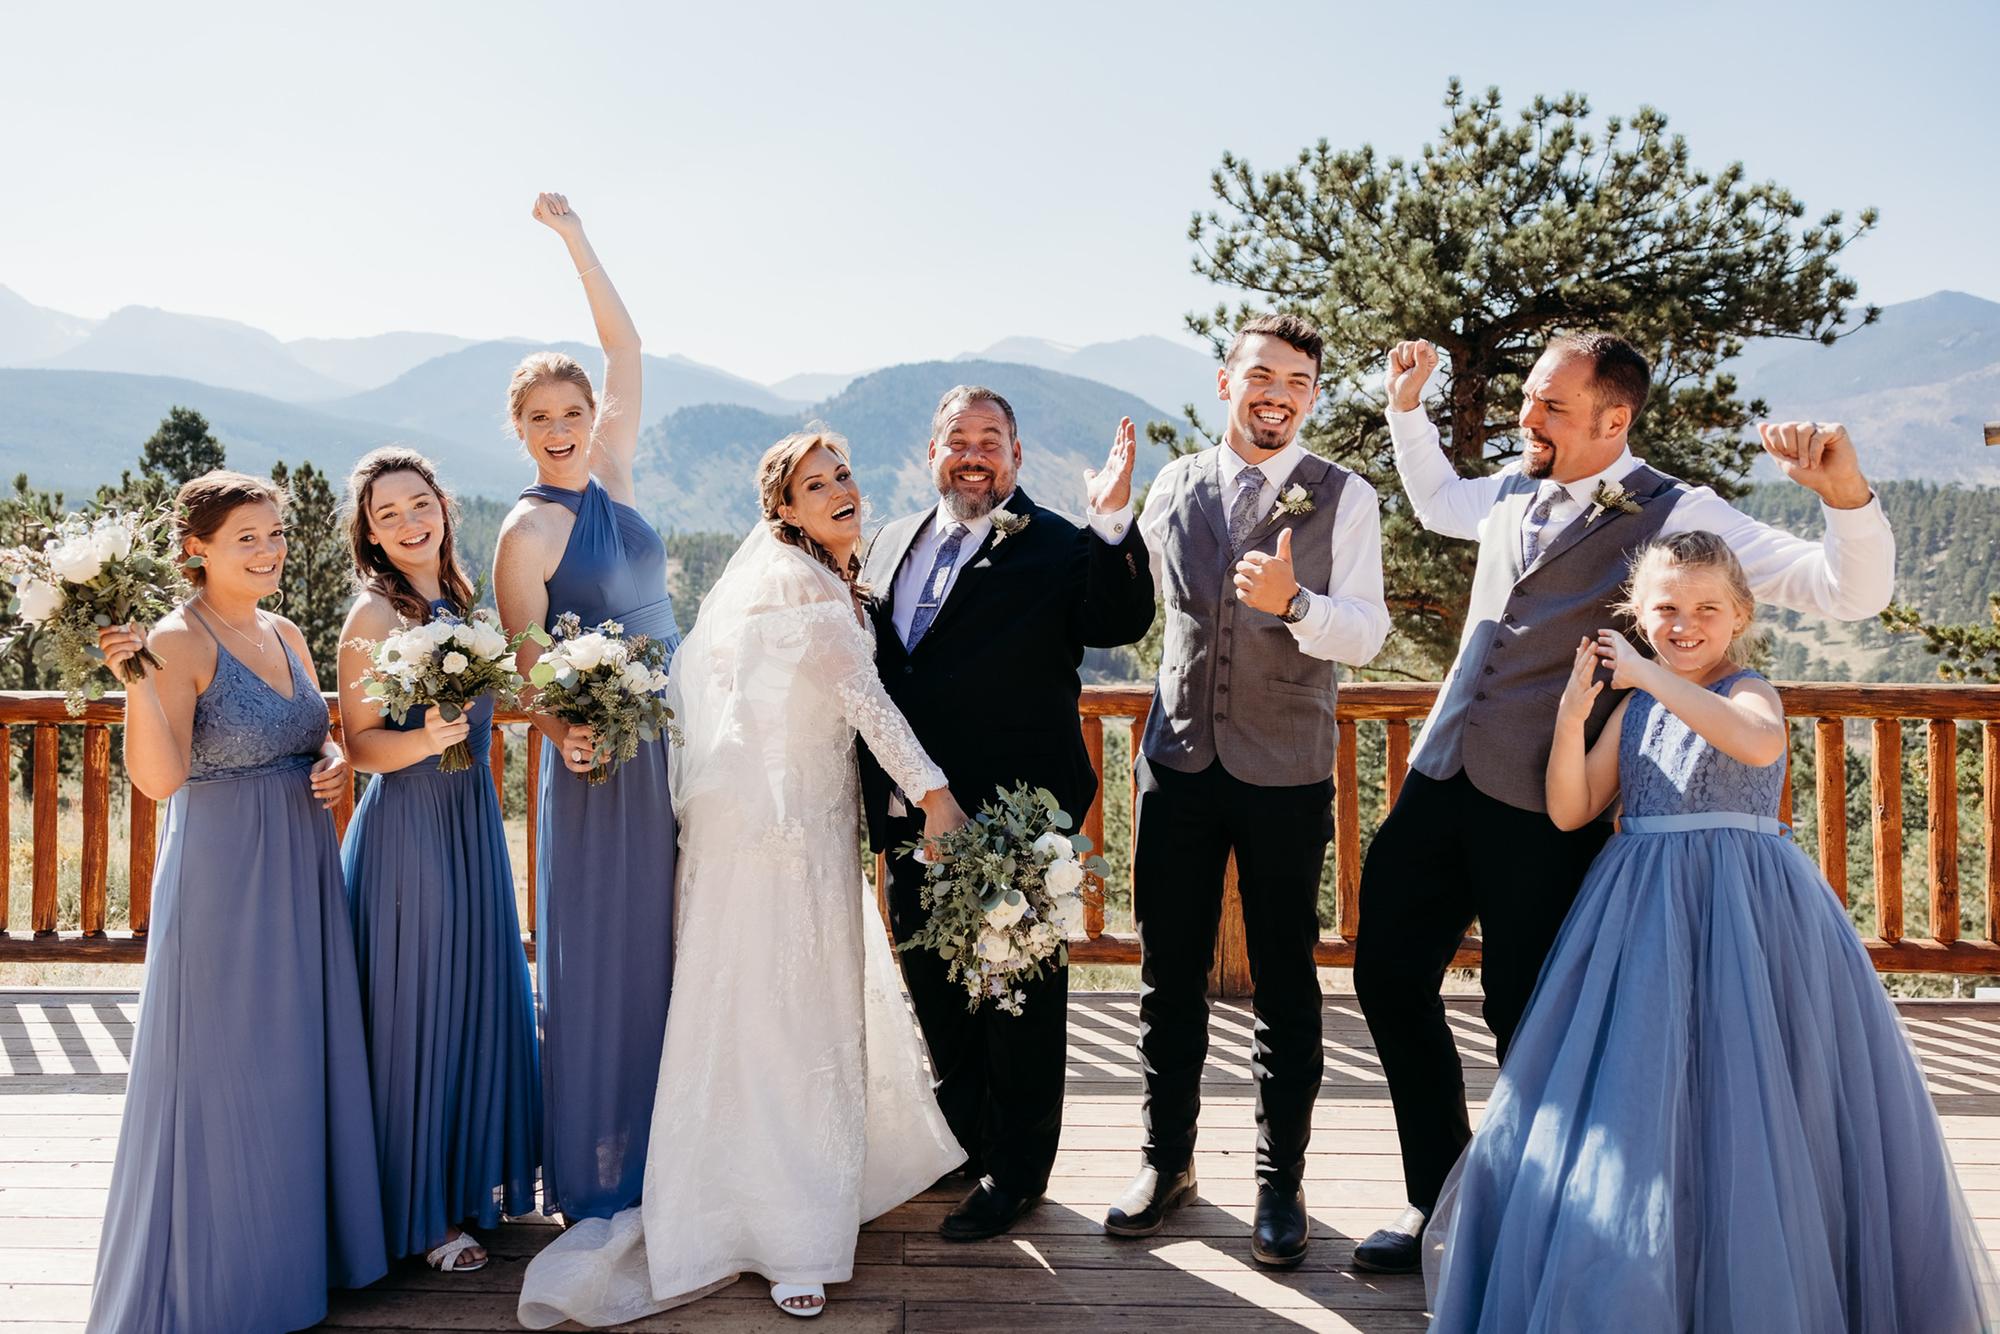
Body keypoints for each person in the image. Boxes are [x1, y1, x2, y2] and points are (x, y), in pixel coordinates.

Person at [1350, 331, 1899, 1273]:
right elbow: (1439, 501)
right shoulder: (1514, 487)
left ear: (1616, 420)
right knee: (1387, 978)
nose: (1528, 419)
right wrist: (1407, 409)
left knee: (1529, 1014)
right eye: (1529, 398)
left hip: (1548, 803)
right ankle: (1440, 1196)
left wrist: (1845, 496)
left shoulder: (1682, 510)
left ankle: (1534, 1212)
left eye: (1552, 408)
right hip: (1441, 777)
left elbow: (1845, 592)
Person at [1425, 532, 2000, 1329]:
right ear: (1638, 613)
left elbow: (1757, 742)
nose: (1684, 624)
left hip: (1750, 915)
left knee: (1755, 1086)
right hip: (1640, 912)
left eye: (1706, 609)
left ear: (1740, 617)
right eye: (1665, 609)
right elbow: (1570, 808)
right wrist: (1572, 716)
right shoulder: (1629, 706)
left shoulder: (1749, 688)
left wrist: (1649, 673)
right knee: (1644, 1092)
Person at [517, 432, 968, 1324]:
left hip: (783, 821)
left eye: (844, 474)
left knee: (772, 1009)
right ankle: (783, 1230)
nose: (840, 489)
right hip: (778, 836)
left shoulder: (798, 577)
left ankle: (793, 1182)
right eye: (816, 483)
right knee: (782, 1018)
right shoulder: (802, 587)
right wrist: (937, 798)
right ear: (786, 510)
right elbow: (866, 706)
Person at [1101, 313, 1389, 1267]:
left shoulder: (1344, 497)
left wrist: (1296, 605)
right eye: (1263, 373)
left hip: (1284, 774)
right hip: (1177, 764)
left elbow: (1367, 631)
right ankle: (1166, 1163)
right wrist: (1107, 522)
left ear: (1312, 396)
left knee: (1285, 982)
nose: (1281, 391)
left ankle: (1281, 1184)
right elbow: (1124, 605)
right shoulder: (1177, 484)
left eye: (1300, 380)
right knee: (1166, 973)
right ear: (1227, 383)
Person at [87, 471, 385, 1333]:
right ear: (197, 550)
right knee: (226, 1067)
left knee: (296, 1057)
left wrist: (334, 760)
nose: (269, 550)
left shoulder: (284, 628)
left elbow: (312, 730)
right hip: (225, 875)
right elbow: (160, 779)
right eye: (246, 537)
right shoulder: (178, 640)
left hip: (300, 865)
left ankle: (298, 1253)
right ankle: (227, 1280)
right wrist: (135, 682)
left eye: (277, 533)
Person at [859, 386, 1156, 1241]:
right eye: (959, 438)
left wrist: (1110, 523)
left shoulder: (1058, 544)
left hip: (1013, 822)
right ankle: (961, 1137)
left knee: (1017, 1000)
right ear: (932, 452)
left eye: (993, 440)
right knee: (938, 986)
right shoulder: (888, 544)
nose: (975, 453)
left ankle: (1017, 1171)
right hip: (915, 813)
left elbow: (1121, 617)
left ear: (1017, 459)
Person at [494, 192, 683, 1222]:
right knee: (608, 952)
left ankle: (683, 1141)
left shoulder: (613, 471)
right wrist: (565, 729)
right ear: (518, 430)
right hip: (602, 761)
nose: (563, 431)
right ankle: (602, 1170)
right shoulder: (525, 531)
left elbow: (627, 344)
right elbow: (525, 660)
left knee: (675, 944)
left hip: (680, 737)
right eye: (541, 420)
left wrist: (574, 240)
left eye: (573, 413)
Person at [336, 446, 540, 1274]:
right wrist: (424, 737)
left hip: (472, 824)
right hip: (411, 834)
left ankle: (459, 1188)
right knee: (414, 1012)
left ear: (442, 507)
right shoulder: (373, 618)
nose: (410, 523)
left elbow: (510, 698)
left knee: (468, 998)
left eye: (419, 504)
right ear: (372, 537)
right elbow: (358, 745)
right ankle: (416, 1219)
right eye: (389, 516)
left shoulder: (457, 599)